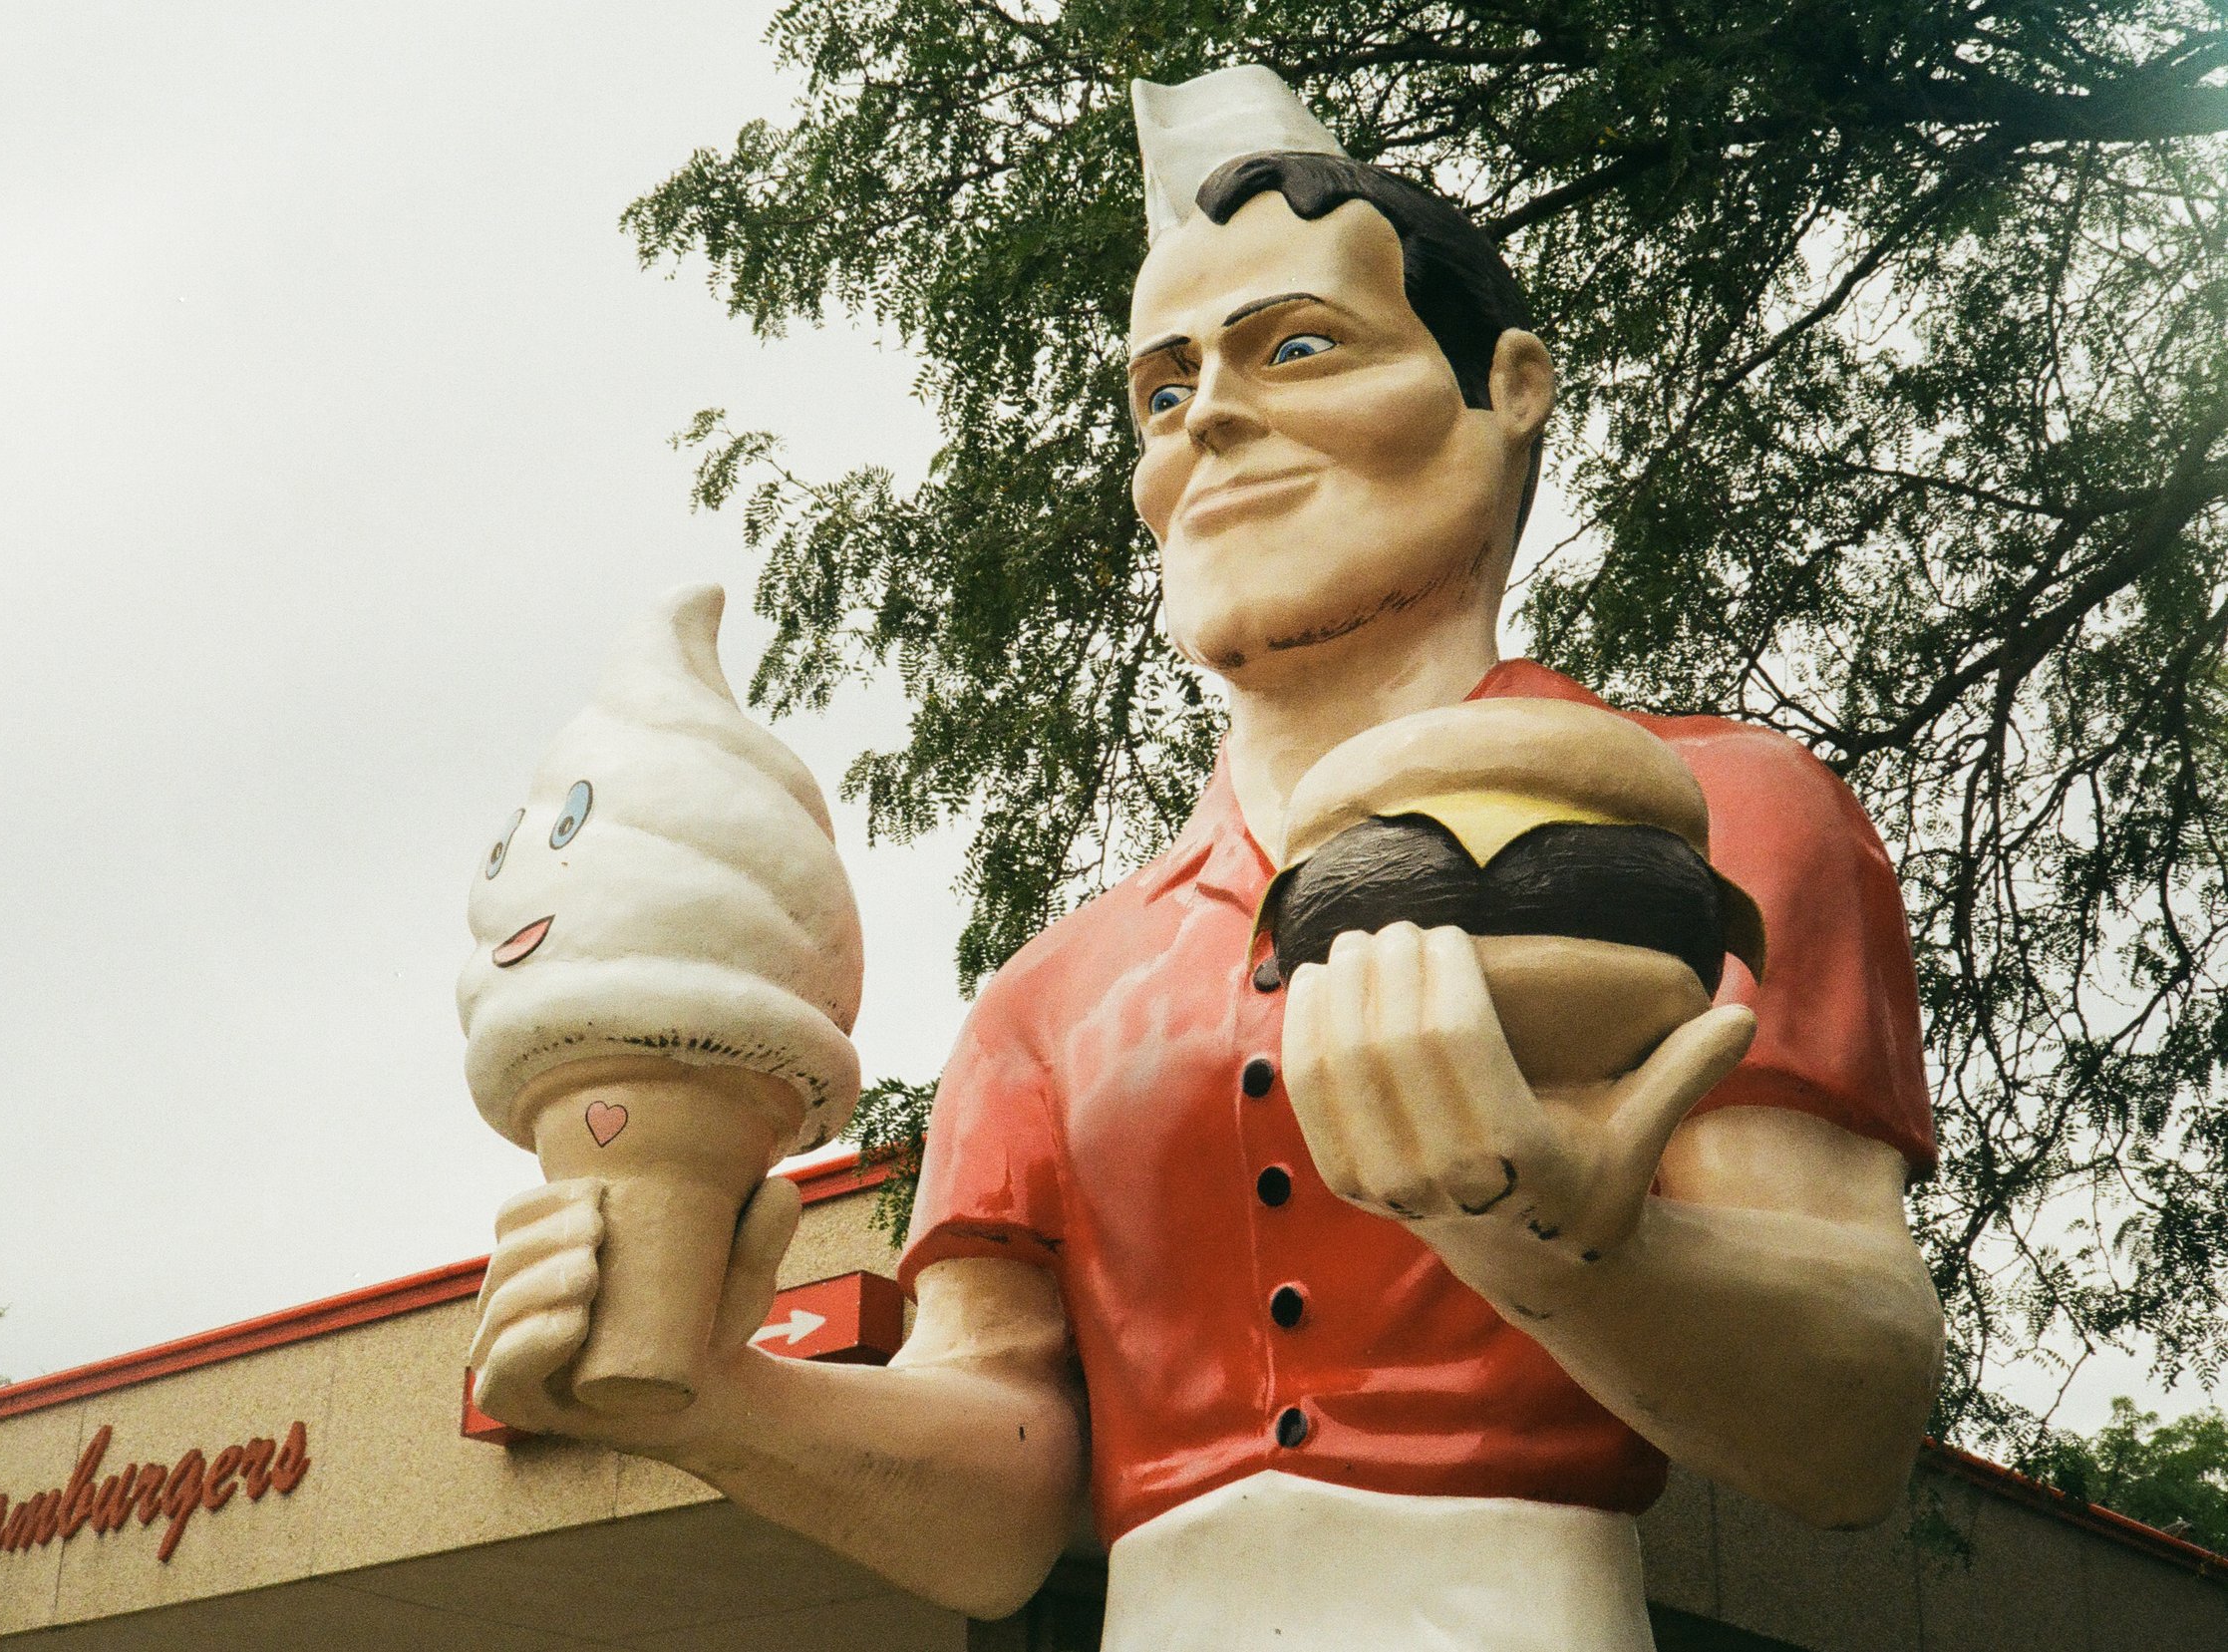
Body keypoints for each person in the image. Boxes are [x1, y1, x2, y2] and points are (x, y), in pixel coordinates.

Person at [468, 64, 1944, 1651]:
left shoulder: (1708, 815)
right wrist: (714, 1397)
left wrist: (1576, 1245)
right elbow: (1002, 1509)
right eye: (1162, 393)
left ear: (1509, 384)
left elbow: (1851, 1425)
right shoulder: (1051, 995)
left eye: (1297, 348)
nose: (1213, 418)